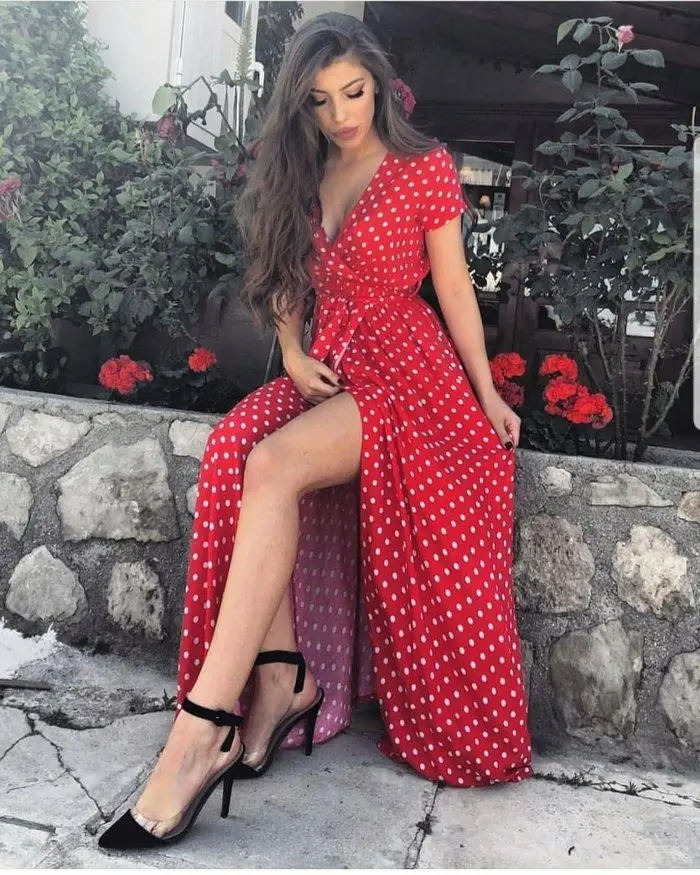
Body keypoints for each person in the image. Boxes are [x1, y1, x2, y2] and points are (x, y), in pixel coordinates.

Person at [98, 11, 532, 851]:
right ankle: (282, 679)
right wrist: (292, 351)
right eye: (321, 100)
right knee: (236, 450)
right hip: (329, 369)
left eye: (355, 92)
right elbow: (286, 283)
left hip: (406, 379)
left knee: (274, 462)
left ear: (380, 84)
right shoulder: (305, 172)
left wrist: (488, 394)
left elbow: (454, 291)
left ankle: (200, 731)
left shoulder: (423, 167)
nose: (341, 114)